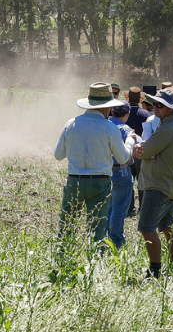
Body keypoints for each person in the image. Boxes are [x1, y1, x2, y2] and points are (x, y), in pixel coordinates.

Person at [54, 83, 133, 245]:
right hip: (100, 182)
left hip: (74, 180)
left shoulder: (71, 124)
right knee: (97, 229)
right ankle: (97, 263)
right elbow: (123, 157)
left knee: (67, 225)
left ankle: (63, 258)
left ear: (89, 101)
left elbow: (58, 155)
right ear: (108, 106)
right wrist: (131, 141)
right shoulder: (110, 128)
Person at [132, 89, 173, 279]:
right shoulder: (171, 124)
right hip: (167, 184)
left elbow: (145, 151)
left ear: (170, 109)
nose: (155, 108)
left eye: (159, 105)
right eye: (154, 104)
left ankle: (155, 271)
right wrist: (144, 148)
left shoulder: (169, 128)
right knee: (168, 227)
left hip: (159, 185)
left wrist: (140, 147)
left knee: (147, 227)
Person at [107, 100, 138, 248]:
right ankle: (117, 241)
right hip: (121, 170)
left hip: (105, 171)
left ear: (112, 112)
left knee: (107, 206)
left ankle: (105, 238)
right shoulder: (126, 130)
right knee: (119, 208)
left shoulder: (105, 125)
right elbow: (131, 152)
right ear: (127, 114)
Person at [125, 87, 152, 216]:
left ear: (128, 98)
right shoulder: (145, 114)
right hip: (142, 151)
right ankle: (143, 207)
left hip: (127, 151)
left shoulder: (125, 112)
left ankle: (130, 208)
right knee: (142, 181)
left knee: (129, 180)